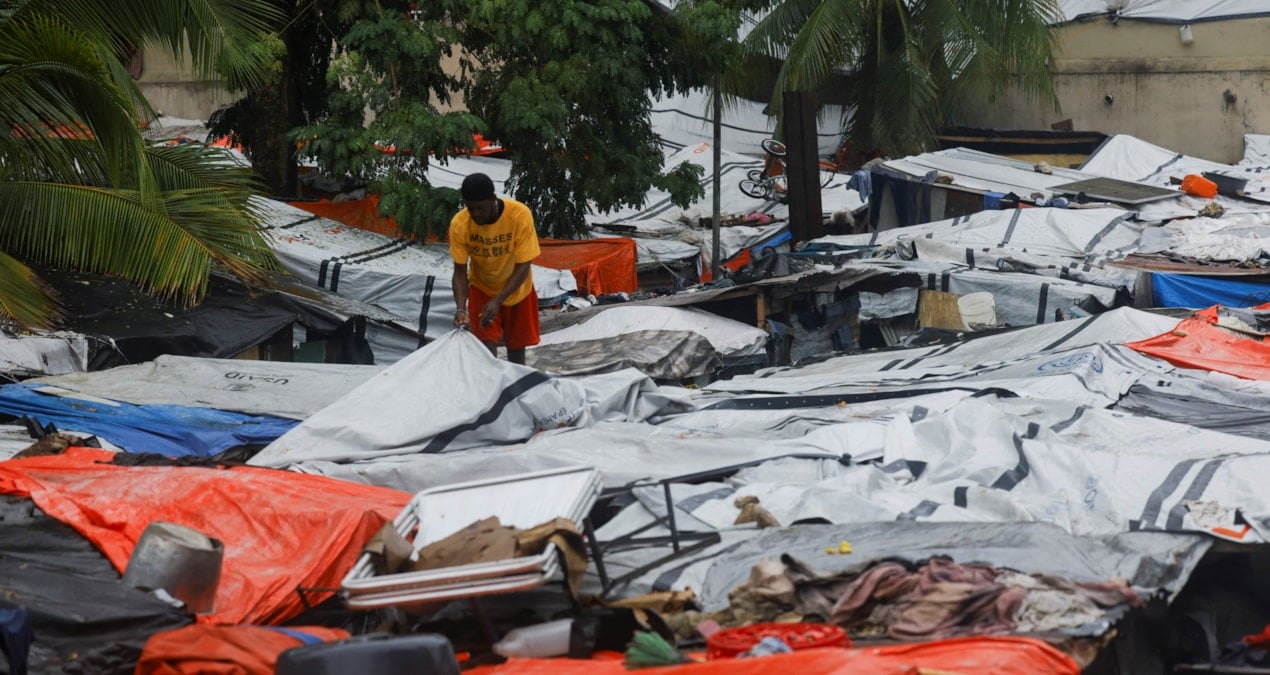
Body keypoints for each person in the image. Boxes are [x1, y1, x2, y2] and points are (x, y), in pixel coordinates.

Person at [449, 173, 541, 364]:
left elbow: (524, 265)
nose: (476, 214)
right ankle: (489, 388)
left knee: (516, 350)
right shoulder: (459, 224)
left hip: (517, 291)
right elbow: (459, 271)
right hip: (482, 289)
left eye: (481, 208)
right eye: (470, 208)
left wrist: (499, 300)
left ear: (493, 200)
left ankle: (515, 389)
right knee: (484, 350)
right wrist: (460, 308)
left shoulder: (519, 215)